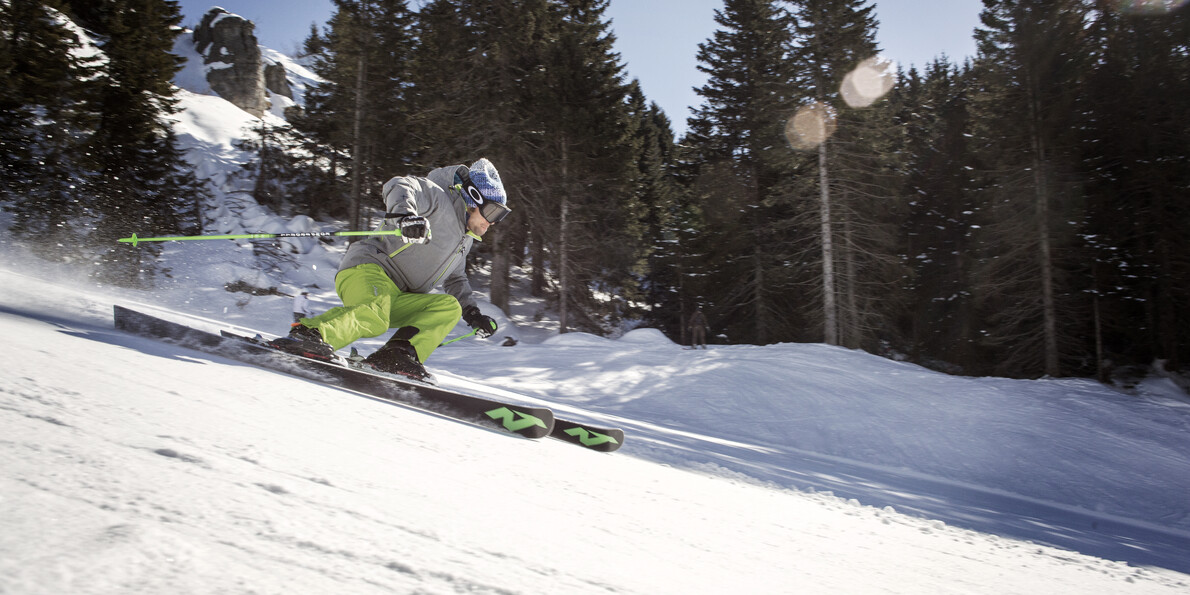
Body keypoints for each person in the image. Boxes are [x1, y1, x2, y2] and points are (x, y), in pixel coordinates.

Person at [270, 158, 511, 381]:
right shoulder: (437, 197)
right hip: (368, 270)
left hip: (398, 296)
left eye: (500, 215)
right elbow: (399, 184)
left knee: (447, 307)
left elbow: (456, 278)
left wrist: (472, 313)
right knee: (375, 314)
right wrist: (405, 217)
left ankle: (396, 356)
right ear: (472, 198)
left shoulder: (464, 239)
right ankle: (311, 336)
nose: (492, 222)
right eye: (492, 211)